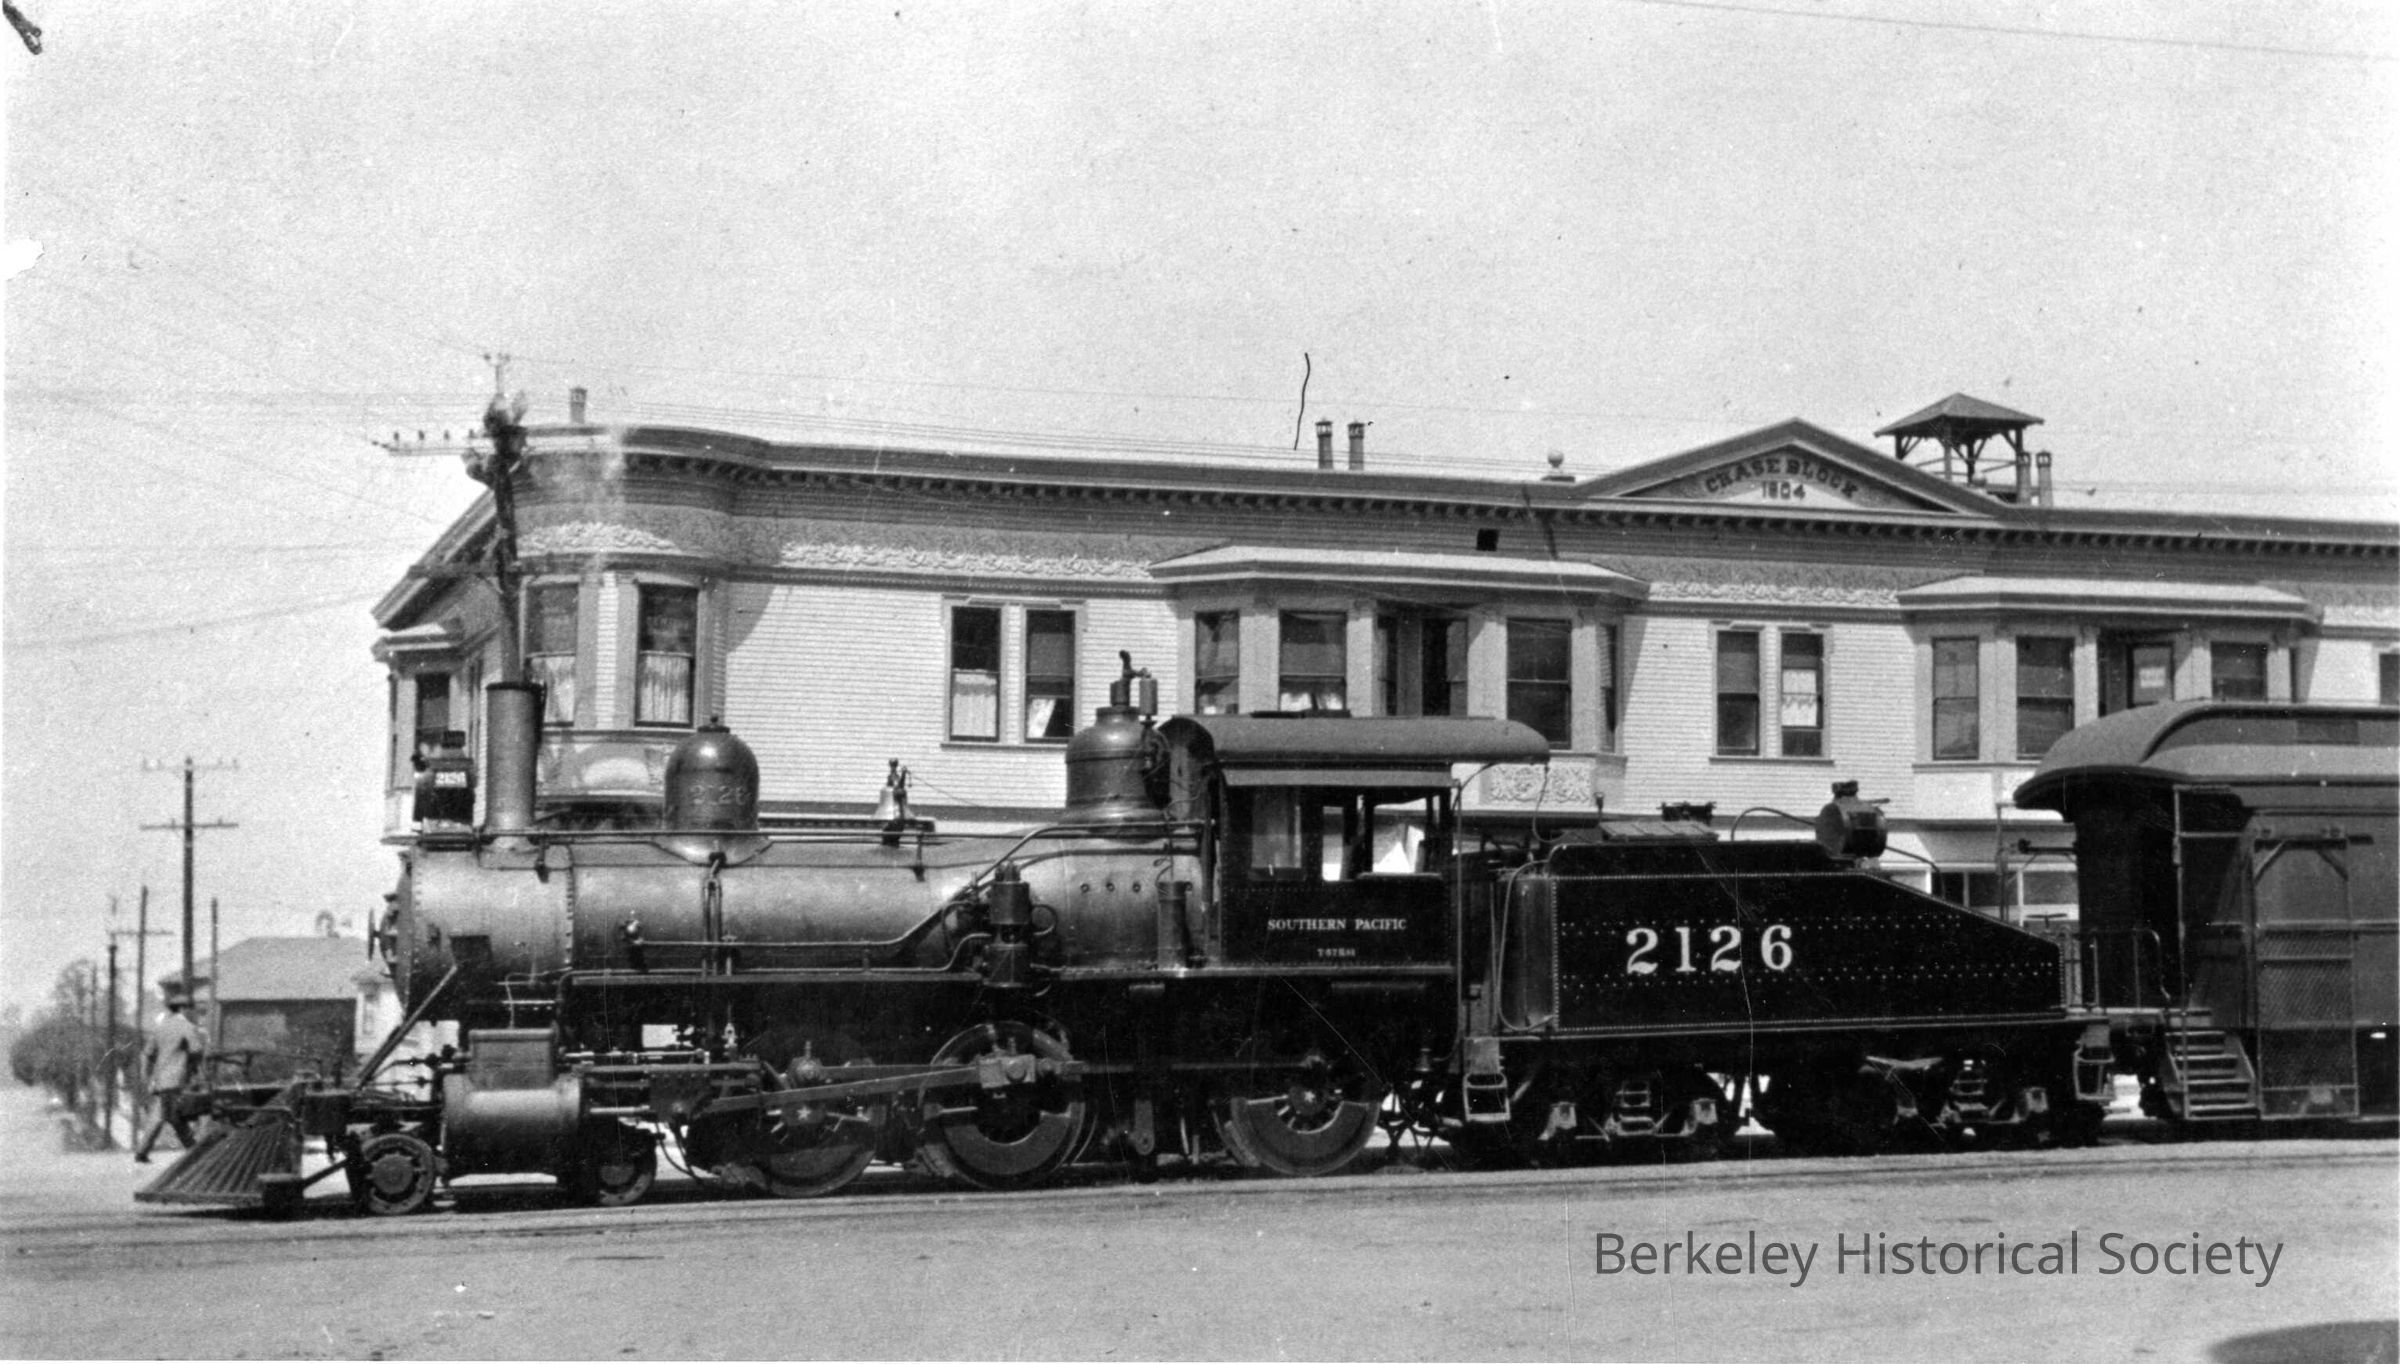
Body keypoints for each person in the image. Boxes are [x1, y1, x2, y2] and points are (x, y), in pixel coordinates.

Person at [133, 993, 207, 1163]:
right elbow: (196, 1050)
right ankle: (194, 1150)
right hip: (176, 1080)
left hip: (160, 1080)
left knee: (158, 1115)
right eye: (190, 1008)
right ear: (183, 1009)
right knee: (176, 1117)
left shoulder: (160, 1027)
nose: (192, 1012)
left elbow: (147, 1053)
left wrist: (146, 1077)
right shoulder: (186, 1026)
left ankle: (142, 1151)